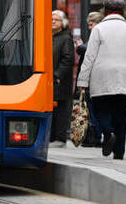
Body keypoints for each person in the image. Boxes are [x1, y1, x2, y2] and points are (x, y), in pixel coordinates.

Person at [76, 0, 126, 159]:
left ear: (105, 11)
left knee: (100, 110)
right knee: (121, 114)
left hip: (102, 76)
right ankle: (119, 152)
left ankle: (108, 132)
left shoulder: (99, 29)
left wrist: (82, 82)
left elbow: (89, 57)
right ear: (123, 12)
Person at [76, 11, 104, 146]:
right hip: (95, 78)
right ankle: (95, 137)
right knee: (93, 110)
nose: (89, 27)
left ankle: (95, 137)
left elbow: (86, 50)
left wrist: (79, 46)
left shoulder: (97, 34)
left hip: (93, 80)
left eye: (91, 24)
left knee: (93, 110)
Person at [50, 9, 74, 147]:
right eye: (51, 19)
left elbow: (68, 59)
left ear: (63, 23)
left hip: (60, 81)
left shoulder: (65, 38)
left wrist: (58, 75)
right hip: (50, 80)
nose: (53, 22)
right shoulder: (49, 36)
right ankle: (52, 137)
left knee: (60, 110)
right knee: (52, 109)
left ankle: (60, 138)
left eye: (56, 19)